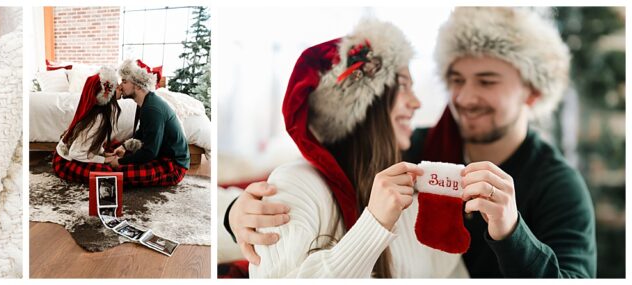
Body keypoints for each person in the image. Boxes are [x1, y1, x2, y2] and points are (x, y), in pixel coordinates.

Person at [227, 7, 596, 278]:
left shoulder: (558, 186)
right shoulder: (412, 155)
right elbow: (334, 166)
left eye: (486, 81)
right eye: (455, 79)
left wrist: (513, 231)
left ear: (533, 92)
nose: (464, 97)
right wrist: (234, 214)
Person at [247, 18, 462, 278]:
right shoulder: (295, 185)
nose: (416, 103)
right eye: (403, 85)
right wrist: (374, 225)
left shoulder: (414, 200)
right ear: (365, 105)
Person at [103, 59, 191, 187]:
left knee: (115, 173)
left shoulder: (152, 109)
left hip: (174, 166)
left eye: (124, 81)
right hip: (162, 155)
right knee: (114, 156)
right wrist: (124, 147)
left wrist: (120, 162)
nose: (120, 86)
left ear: (138, 85)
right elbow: (143, 131)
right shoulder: (147, 102)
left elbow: (150, 152)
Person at [52, 66, 124, 182]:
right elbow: (75, 153)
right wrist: (104, 160)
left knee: (111, 168)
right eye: (117, 86)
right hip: (65, 162)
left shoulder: (102, 113)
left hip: (73, 155)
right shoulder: (98, 118)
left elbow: (92, 141)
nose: (121, 87)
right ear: (108, 94)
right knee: (109, 174)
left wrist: (104, 154)